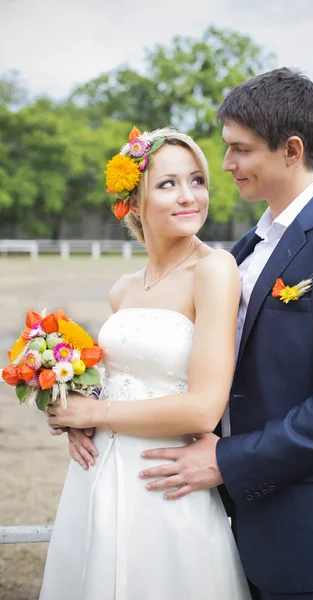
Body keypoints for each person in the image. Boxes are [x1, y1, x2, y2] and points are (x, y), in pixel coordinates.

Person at [56, 69, 313, 599]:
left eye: (238, 150)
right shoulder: (242, 250)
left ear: (291, 150)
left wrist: (228, 459)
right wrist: (93, 414)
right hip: (234, 508)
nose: (225, 166)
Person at [41, 126, 252, 600]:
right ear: (133, 202)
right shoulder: (124, 288)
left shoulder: (215, 270)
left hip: (166, 477)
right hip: (96, 477)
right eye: (168, 184)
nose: (189, 197)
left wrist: (98, 414)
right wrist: (75, 408)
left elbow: (202, 409)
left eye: (197, 180)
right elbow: (124, 377)